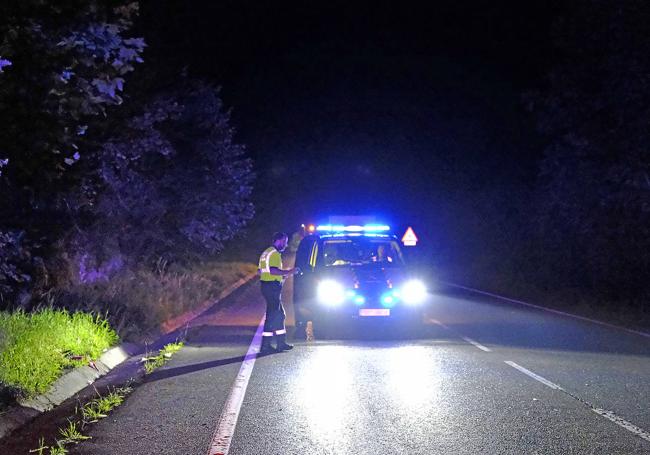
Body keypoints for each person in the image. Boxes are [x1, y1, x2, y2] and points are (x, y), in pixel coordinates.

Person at [258, 232, 300, 354]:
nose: (286, 245)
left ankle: (280, 343)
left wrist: (279, 277)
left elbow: (260, 271)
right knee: (272, 316)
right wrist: (290, 272)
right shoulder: (275, 254)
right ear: (280, 240)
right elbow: (273, 270)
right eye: (285, 241)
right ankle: (266, 346)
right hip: (271, 287)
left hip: (267, 286)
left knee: (279, 314)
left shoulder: (266, 252)